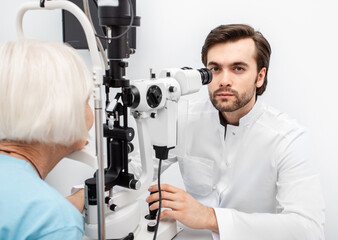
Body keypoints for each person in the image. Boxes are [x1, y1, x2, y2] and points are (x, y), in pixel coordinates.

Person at [144, 24, 325, 239]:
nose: (223, 81)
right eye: (215, 69)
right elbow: (136, 169)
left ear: (259, 76)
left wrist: (210, 217)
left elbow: (309, 229)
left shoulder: (288, 138)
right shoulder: (183, 119)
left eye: (238, 68)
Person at [0, 39, 94, 239]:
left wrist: (65, 205)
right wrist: (58, 218)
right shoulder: (56, 222)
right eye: (87, 101)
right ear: (60, 113)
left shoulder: (46, 215)